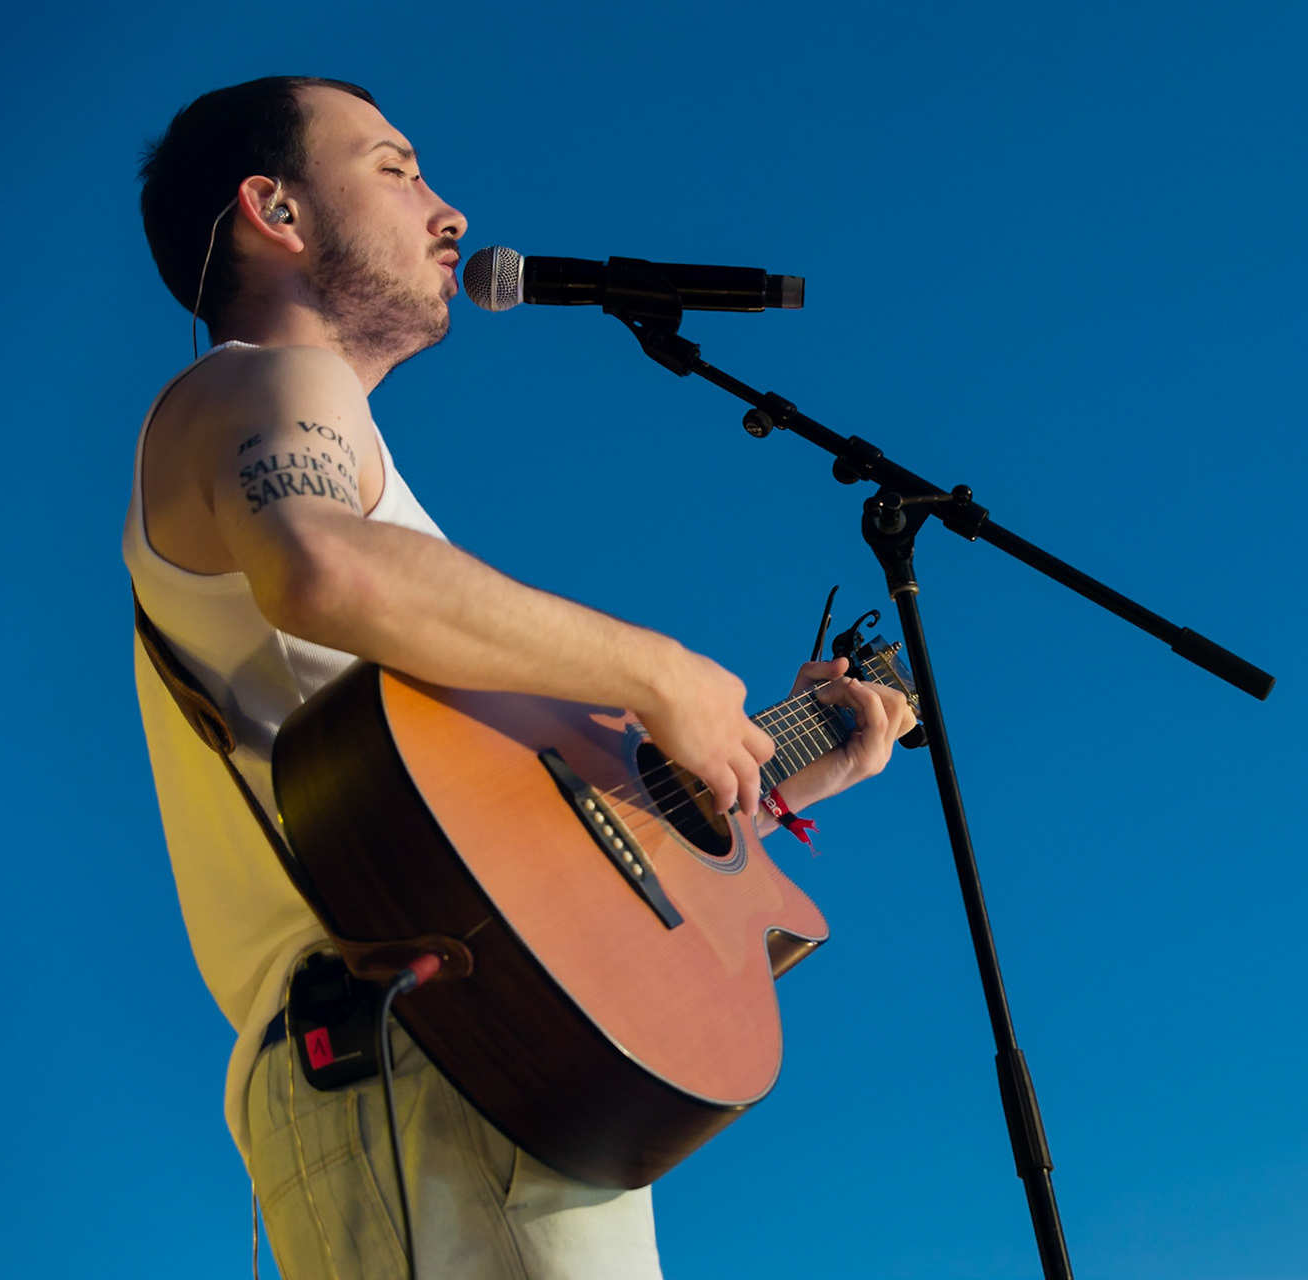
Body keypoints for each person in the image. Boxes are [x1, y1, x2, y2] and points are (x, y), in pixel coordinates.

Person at [127, 76, 914, 1279]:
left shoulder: (363, 500)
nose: (449, 211)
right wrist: (657, 670)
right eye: (397, 168)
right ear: (272, 209)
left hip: (448, 1061)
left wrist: (797, 750)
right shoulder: (263, 382)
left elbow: (537, 847)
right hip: (422, 1055)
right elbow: (320, 565)